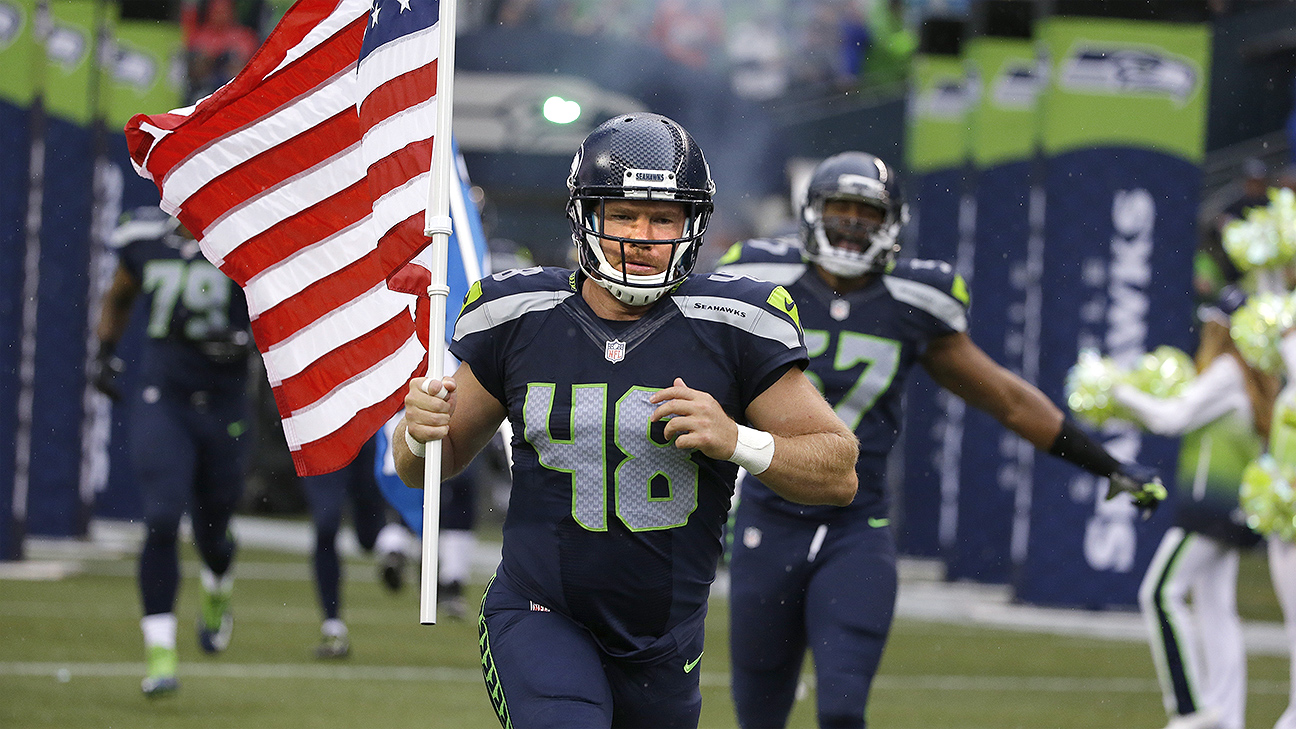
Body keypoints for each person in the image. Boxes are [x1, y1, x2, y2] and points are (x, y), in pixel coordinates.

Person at [394, 113, 860, 728]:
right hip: (540, 610)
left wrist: (738, 439)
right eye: (623, 215)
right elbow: (427, 465)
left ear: (692, 225)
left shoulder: (736, 325)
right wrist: (414, 430)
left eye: (663, 217)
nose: (642, 236)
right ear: (587, 216)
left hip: (664, 639)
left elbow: (839, 470)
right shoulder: (518, 315)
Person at [714, 150, 1167, 729]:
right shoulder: (755, 279)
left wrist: (1106, 465)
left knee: (844, 710)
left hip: (858, 524)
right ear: (810, 212)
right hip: (766, 519)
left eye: (866, 211)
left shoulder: (917, 299)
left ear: (894, 223)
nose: (852, 222)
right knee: (759, 713)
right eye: (840, 207)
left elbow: (1005, 398)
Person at [91, 207, 253, 697]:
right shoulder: (142, 236)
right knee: (161, 517)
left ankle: (218, 583)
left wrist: (249, 340)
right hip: (165, 397)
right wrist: (105, 352)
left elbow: (282, 307)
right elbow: (120, 295)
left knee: (213, 532)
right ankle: (160, 651)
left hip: (225, 404)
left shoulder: (245, 234)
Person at [1110, 294, 1272, 729]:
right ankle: (1228, 717)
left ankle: (1192, 708)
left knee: (1160, 593)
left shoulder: (1225, 372)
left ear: (1223, 330)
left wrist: (1118, 392)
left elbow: (1170, 418)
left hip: (1210, 509)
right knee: (1217, 608)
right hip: (1231, 509)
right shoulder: (1249, 377)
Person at [297, 434, 413, 658]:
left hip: (365, 425)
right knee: (326, 525)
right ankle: (332, 625)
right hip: (322, 433)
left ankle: (394, 547)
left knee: (368, 535)